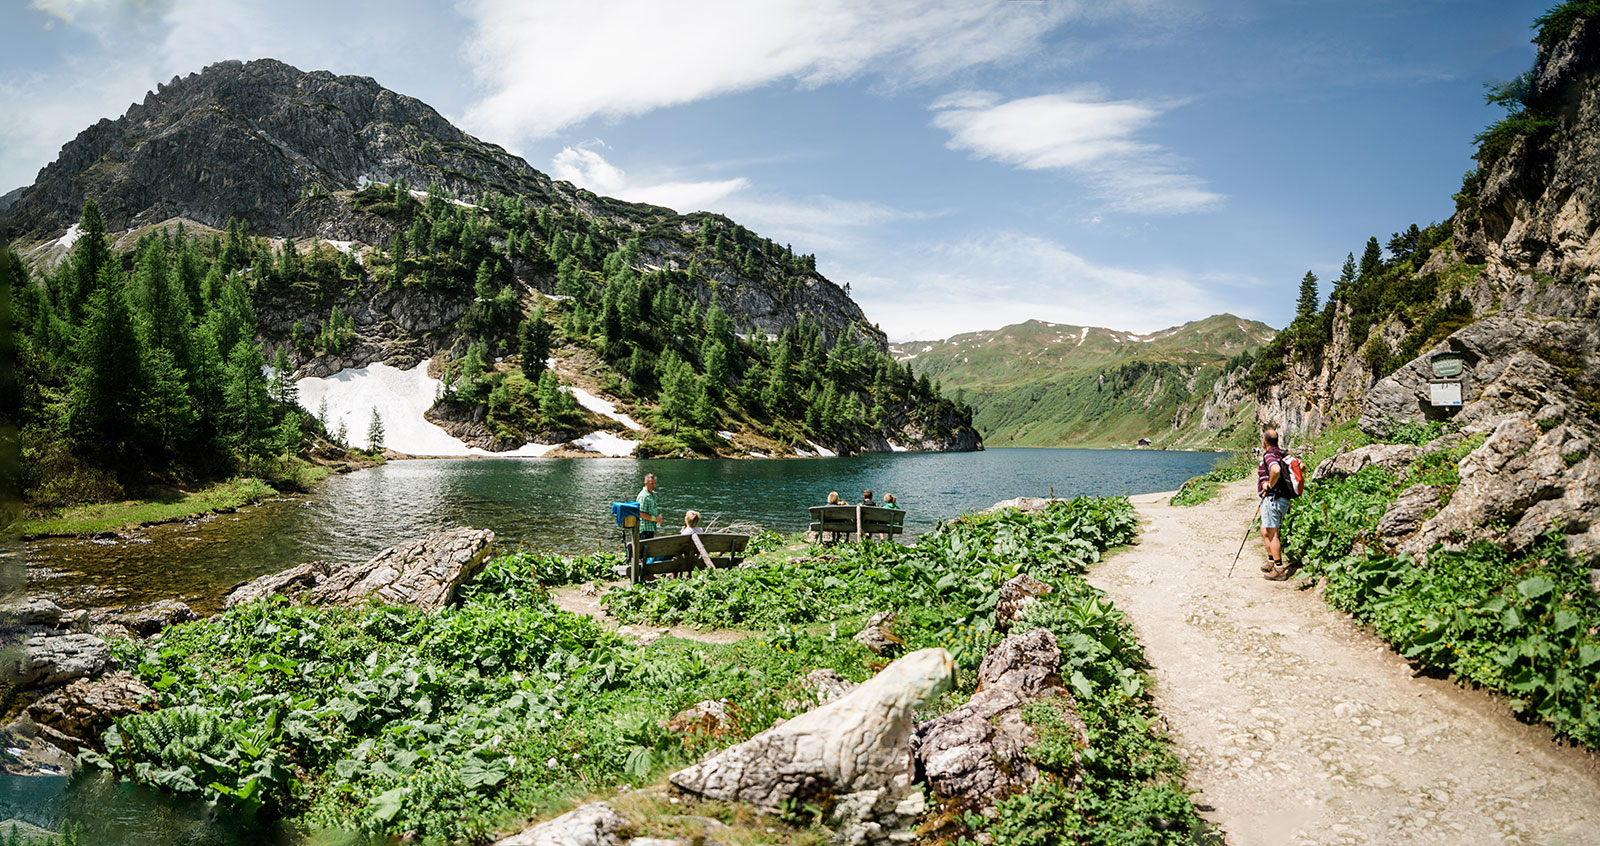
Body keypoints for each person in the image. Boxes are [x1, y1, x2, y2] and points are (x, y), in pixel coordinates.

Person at [1257, 427, 1292, 581]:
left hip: (1273, 499)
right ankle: (1271, 561)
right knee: (1264, 529)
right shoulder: (1284, 454)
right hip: (1282, 499)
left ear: (1264, 442)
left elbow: (1275, 470)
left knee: (1273, 533)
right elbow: (1301, 466)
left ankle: (1278, 569)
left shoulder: (1270, 455)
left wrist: (1270, 485)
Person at [637, 473, 661, 539]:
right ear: (645, 483)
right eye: (651, 483)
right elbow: (641, 513)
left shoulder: (651, 494)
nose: (654, 485)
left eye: (655, 483)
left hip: (650, 529)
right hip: (644, 530)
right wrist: (655, 519)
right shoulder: (644, 496)